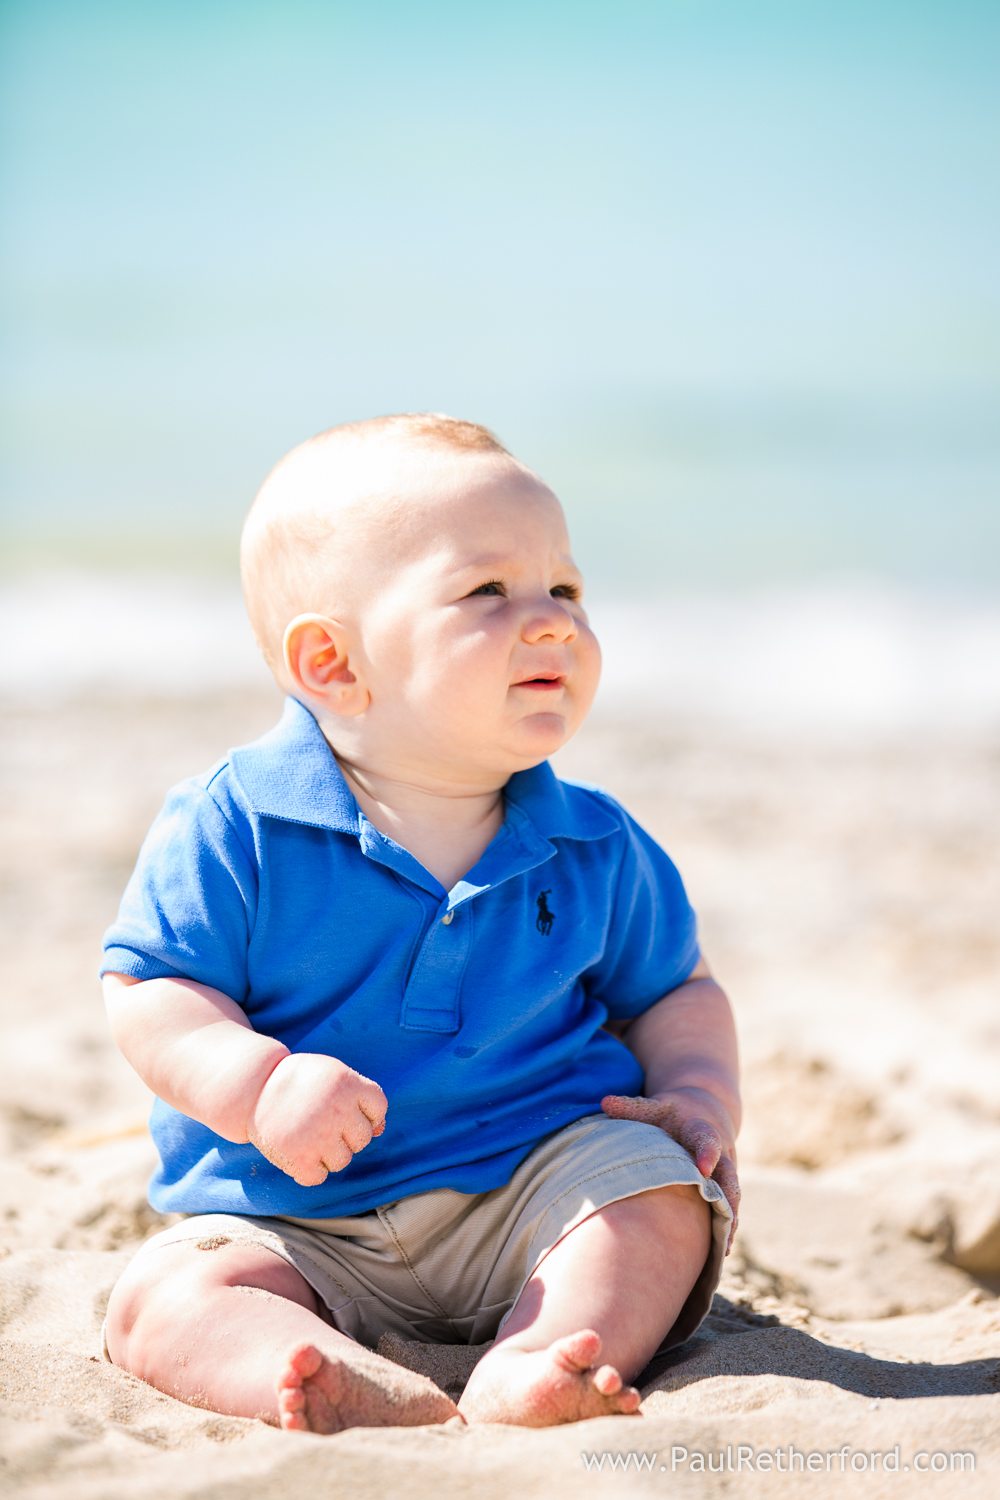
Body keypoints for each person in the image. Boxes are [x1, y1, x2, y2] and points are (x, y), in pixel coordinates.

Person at [100, 413, 741, 1434]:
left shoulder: (592, 842)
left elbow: (673, 989)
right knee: (162, 1300)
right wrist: (257, 1083)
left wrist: (695, 1093)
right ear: (333, 665)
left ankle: (537, 1359)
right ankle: (331, 1376)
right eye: (488, 591)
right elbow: (151, 991)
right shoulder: (237, 823)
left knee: (658, 1201)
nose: (552, 623)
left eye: (565, 590)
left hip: (536, 1186)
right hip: (295, 1217)